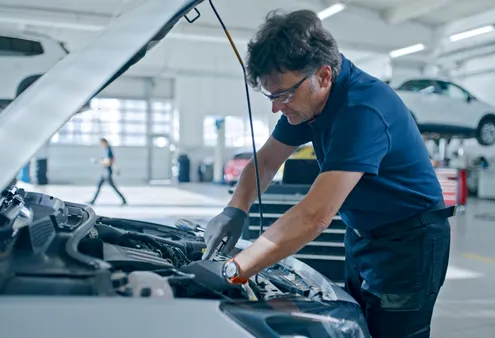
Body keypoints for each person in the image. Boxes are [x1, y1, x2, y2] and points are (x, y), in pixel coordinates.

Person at [180, 9, 454, 338]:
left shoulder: (362, 110)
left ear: (323, 76)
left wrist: (234, 269)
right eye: (270, 96)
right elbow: (265, 162)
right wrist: (235, 209)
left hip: (410, 244)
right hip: (363, 235)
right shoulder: (309, 99)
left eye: (282, 95)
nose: (276, 107)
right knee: (359, 328)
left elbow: (314, 216)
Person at [88, 138, 127, 206]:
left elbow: (108, 162)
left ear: (104, 142)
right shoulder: (107, 150)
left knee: (112, 187)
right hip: (105, 172)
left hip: (107, 172)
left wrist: (98, 161)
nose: (100, 145)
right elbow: (113, 160)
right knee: (99, 186)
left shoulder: (108, 150)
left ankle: (123, 199)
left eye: (101, 143)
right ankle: (93, 200)